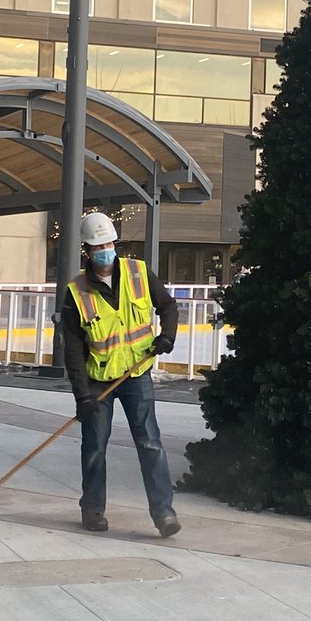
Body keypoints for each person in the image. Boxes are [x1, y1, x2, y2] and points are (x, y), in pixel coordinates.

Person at [62, 211, 181, 537]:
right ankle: (93, 510)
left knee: (150, 443)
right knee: (95, 447)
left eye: (109, 243)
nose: (105, 249)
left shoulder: (139, 273)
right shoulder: (76, 293)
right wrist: (82, 395)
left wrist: (166, 336)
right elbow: (72, 349)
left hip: (136, 375)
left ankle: (164, 515)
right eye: (98, 245)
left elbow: (168, 306)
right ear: (87, 249)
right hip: (99, 381)